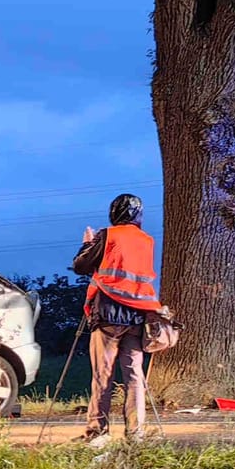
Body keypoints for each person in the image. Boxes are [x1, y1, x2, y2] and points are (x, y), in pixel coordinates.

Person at [72, 191, 160, 446]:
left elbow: (81, 266)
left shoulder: (108, 235)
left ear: (113, 213)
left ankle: (97, 431)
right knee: (134, 376)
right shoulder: (147, 241)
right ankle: (136, 434)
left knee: (102, 374)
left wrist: (88, 243)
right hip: (137, 317)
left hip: (108, 315)